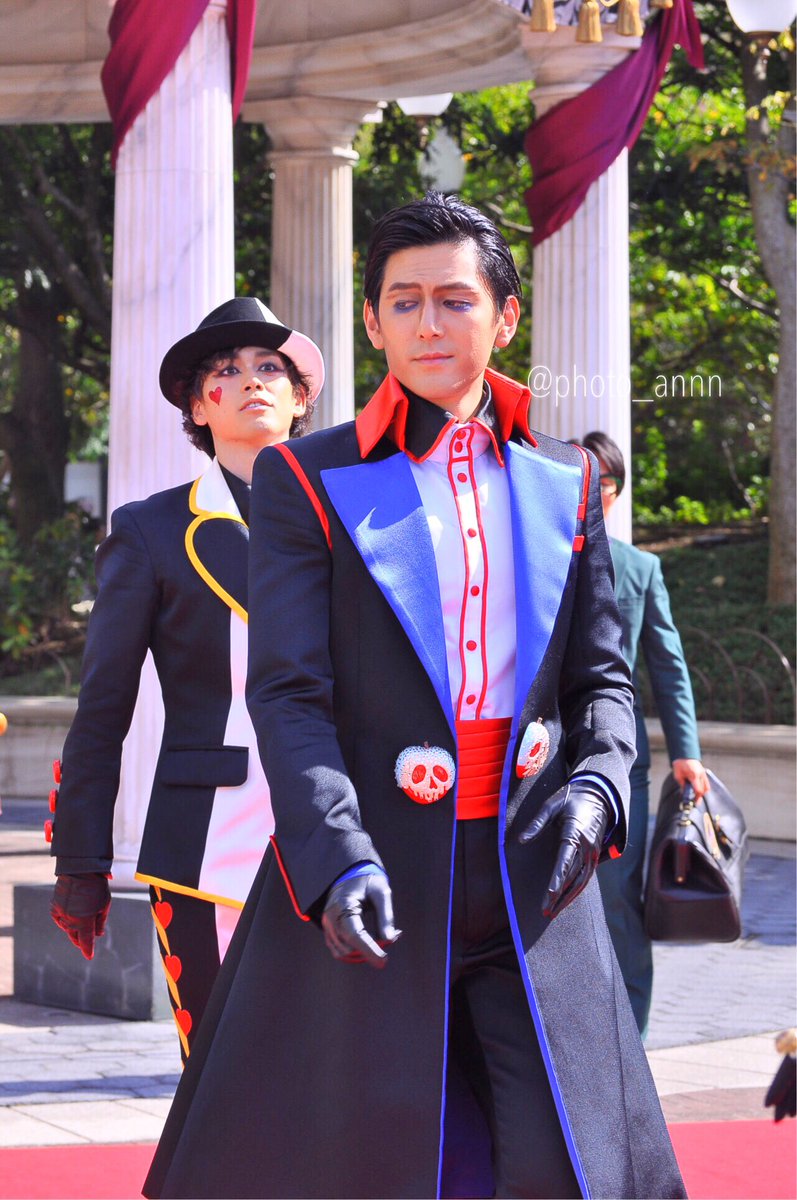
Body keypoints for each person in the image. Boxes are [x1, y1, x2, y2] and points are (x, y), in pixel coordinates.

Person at [145, 194, 684, 1199]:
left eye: (454, 299)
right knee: (389, 1167)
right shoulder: (304, 476)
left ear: (505, 317)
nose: (428, 325)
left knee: (564, 1166)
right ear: (372, 321)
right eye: (403, 302)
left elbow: (601, 680)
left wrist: (599, 790)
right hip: (371, 882)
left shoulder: (565, 479)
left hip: (536, 876)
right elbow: (288, 695)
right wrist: (334, 854)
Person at [48, 298, 324, 1061]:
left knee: (338, 1086)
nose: (251, 380)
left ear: (301, 398)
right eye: (226, 371)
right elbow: (104, 705)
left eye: (270, 367)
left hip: (346, 835)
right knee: (224, 1084)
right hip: (210, 845)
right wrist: (81, 859)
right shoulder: (151, 529)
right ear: (199, 407)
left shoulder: (350, 519)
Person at [581, 431, 709, 1037]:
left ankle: (630, 1037)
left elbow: (668, 666)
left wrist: (687, 752)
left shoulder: (641, 568)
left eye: (603, 482)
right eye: (583, 478)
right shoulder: (537, 555)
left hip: (620, 763)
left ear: (615, 493)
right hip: (541, 760)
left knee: (615, 898)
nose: (593, 490)